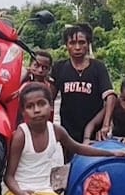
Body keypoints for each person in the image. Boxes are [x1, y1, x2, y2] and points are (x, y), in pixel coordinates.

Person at [3, 83, 125, 195]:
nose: (36, 110)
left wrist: (112, 153)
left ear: (51, 106)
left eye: (41, 104)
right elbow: (8, 177)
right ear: (23, 112)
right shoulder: (21, 135)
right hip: (18, 192)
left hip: (44, 192)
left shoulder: (56, 131)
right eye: (30, 106)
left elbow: (78, 148)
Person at [50, 24, 116, 157]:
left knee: (94, 165)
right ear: (66, 45)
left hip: (95, 134)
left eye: (81, 42)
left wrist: (106, 124)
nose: (77, 47)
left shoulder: (98, 67)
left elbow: (110, 96)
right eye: (72, 43)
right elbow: (49, 98)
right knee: (71, 165)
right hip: (68, 133)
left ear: (88, 44)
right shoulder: (59, 67)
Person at [84, 75, 125, 148]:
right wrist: (86, 139)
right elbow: (92, 123)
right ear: (120, 94)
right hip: (114, 140)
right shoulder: (114, 103)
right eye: (123, 99)